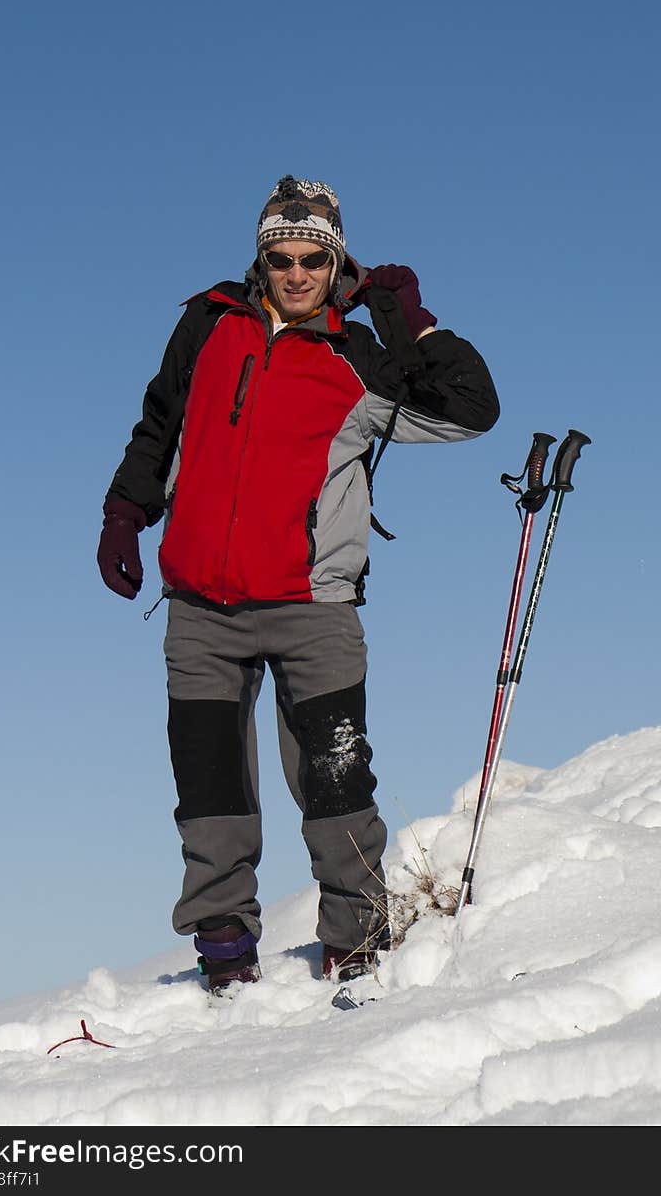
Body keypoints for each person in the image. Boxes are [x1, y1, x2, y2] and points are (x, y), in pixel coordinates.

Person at [97, 175, 500, 993]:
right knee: (207, 788)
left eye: (312, 257)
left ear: (334, 255)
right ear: (261, 256)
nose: (295, 273)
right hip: (201, 606)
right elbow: (159, 422)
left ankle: (356, 948)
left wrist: (412, 323)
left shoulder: (360, 356)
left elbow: (470, 407)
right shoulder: (208, 323)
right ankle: (224, 958)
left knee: (336, 778)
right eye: (279, 257)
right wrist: (124, 511)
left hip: (313, 605)